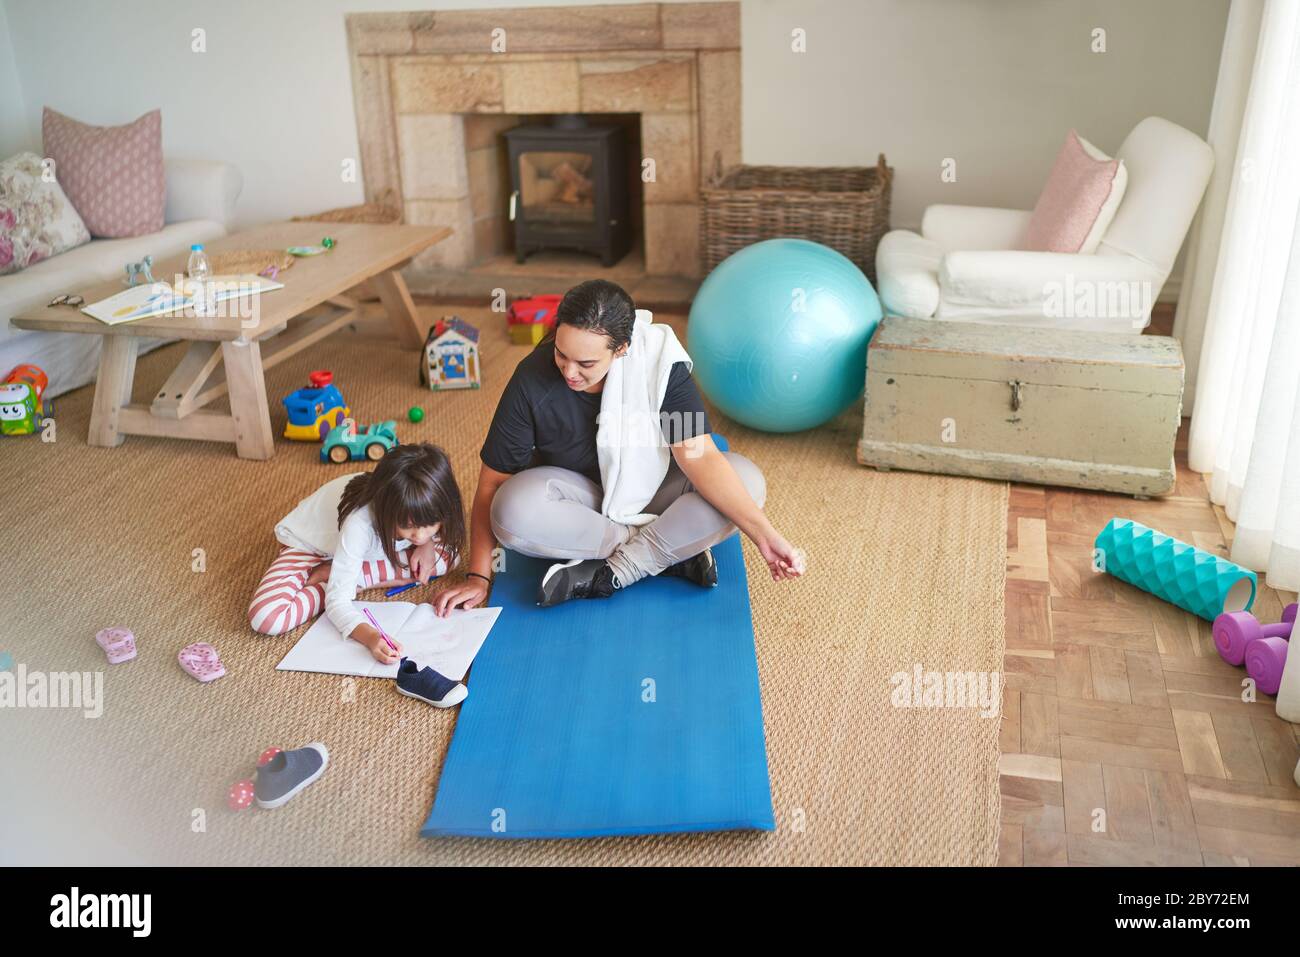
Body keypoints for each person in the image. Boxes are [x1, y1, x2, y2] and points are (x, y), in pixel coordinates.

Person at [434, 279, 802, 615]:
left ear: (622, 349)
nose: (569, 372)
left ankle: (617, 571)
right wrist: (478, 577)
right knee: (510, 510)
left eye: (586, 363)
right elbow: (492, 483)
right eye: (562, 354)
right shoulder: (532, 380)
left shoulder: (661, 365)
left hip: (657, 491)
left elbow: (699, 455)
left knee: (747, 482)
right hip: (582, 504)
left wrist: (766, 536)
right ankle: (667, 551)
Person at [249, 444, 465, 663]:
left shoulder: (420, 510)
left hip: (362, 552)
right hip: (311, 547)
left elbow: (440, 544)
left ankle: (351, 575)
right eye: (408, 526)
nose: (419, 535)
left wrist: (426, 546)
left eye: (429, 524)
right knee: (267, 618)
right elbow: (338, 604)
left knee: (450, 556)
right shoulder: (359, 523)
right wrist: (372, 637)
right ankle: (340, 578)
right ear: (387, 511)